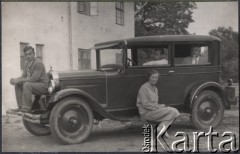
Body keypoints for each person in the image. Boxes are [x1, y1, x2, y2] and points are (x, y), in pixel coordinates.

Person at [136, 69, 180, 138]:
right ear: (149, 78)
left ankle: (161, 129)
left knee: (174, 112)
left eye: (156, 77)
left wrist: (160, 106)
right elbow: (145, 104)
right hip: (146, 112)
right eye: (153, 77)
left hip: (153, 110)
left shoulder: (155, 88)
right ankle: (161, 129)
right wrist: (158, 107)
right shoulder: (144, 88)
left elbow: (154, 103)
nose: (154, 79)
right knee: (173, 112)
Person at [9, 46, 49, 113]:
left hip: (43, 86)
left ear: (34, 54)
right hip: (35, 85)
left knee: (27, 85)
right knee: (18, 84)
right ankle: (20, 107)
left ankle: (26, 108)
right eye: (26, 54)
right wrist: (15, 80)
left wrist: (19, 80)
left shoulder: (39, 63)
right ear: (24, 55)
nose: (28, 56)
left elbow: (34, 79)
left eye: (30, 54)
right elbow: (24, 76)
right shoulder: (26, 63)